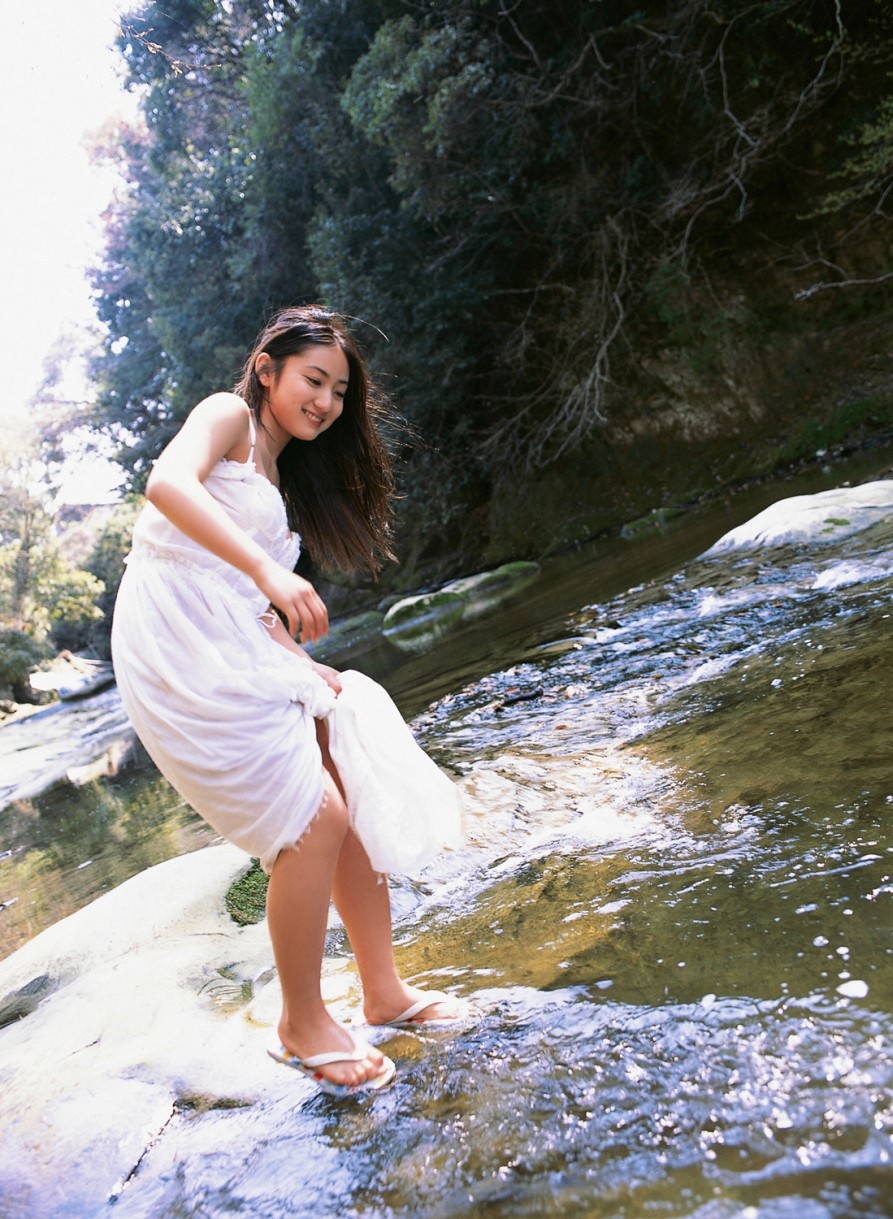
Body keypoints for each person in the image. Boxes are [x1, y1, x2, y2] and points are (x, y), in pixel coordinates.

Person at [111, 306, 464, 1097]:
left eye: (339, 390)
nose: (327, 402)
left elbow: (240, 598)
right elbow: (165, 485)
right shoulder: (227, 416)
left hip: (228, 637)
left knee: (344, 755)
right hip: (172, 643)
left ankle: (383, 991)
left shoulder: (278, 470)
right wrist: (269, 573)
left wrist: (302, 663)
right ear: (267, 369)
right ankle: (301, 1022)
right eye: (315, 379)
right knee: (313, 817)